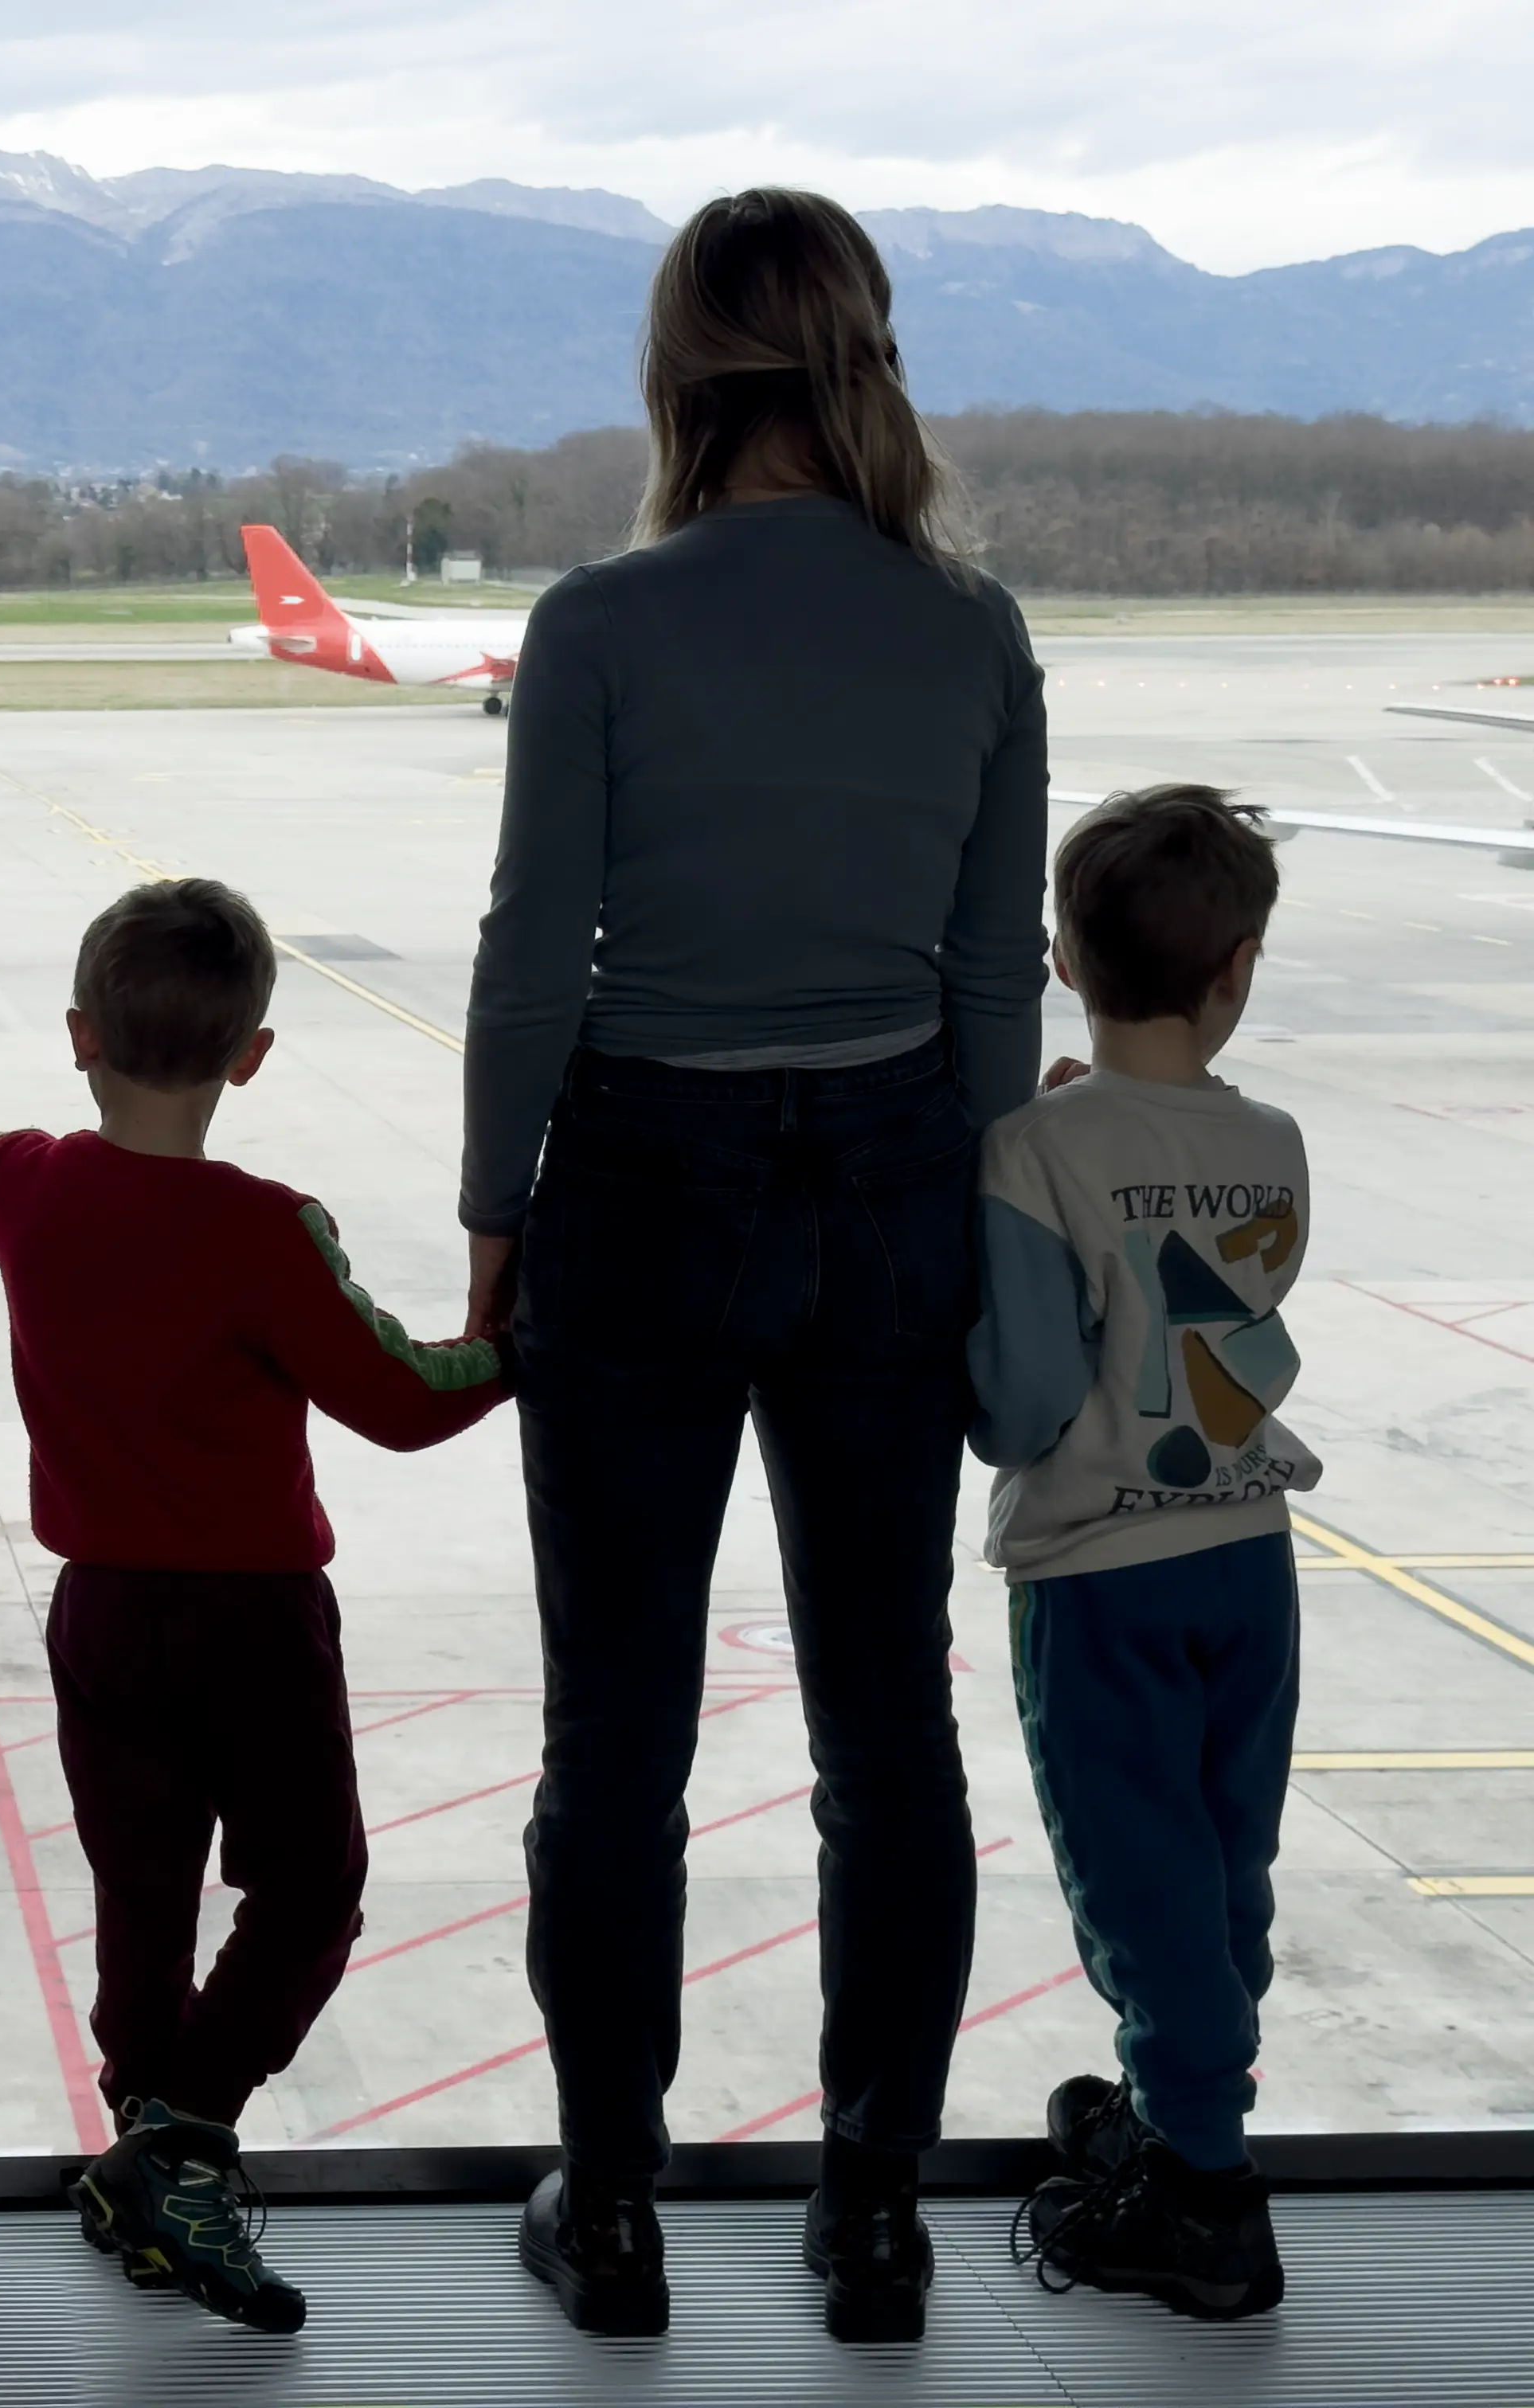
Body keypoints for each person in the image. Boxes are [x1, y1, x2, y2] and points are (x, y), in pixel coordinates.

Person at [458, 188, 1048, 2344]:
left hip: (643, 1180)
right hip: (897, 1179)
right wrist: (984, 1239)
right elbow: (997, 981)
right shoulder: (970, 627)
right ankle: (873, 2211)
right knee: (890, 1726)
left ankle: (610, 2204)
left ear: (677, 371)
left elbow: (537, 955)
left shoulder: (604, 621)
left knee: (613, 1737)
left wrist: (494, 1212)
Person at [0, 876, 512, 2336]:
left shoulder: (29, 1186)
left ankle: (145, 2147)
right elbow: (401, 1398)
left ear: (79, 1035)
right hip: (253, 1624)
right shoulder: (267, 1229)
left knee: (145, 1892)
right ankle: (181, 2143)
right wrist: (517, 1342)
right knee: (308, 1890)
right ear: (252, 1055)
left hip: (104, 1618)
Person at [972, 785, 1306, 2321]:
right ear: (1237, 969)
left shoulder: (1032, 1147)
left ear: (1060, 955)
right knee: (1223, 1860)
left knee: (1136, 1874)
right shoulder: (1275, 1141)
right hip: (1248, 1554)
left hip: (1104, 1572)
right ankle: (1185, 2104)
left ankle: (1204, 2197)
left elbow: (1030, 1403)